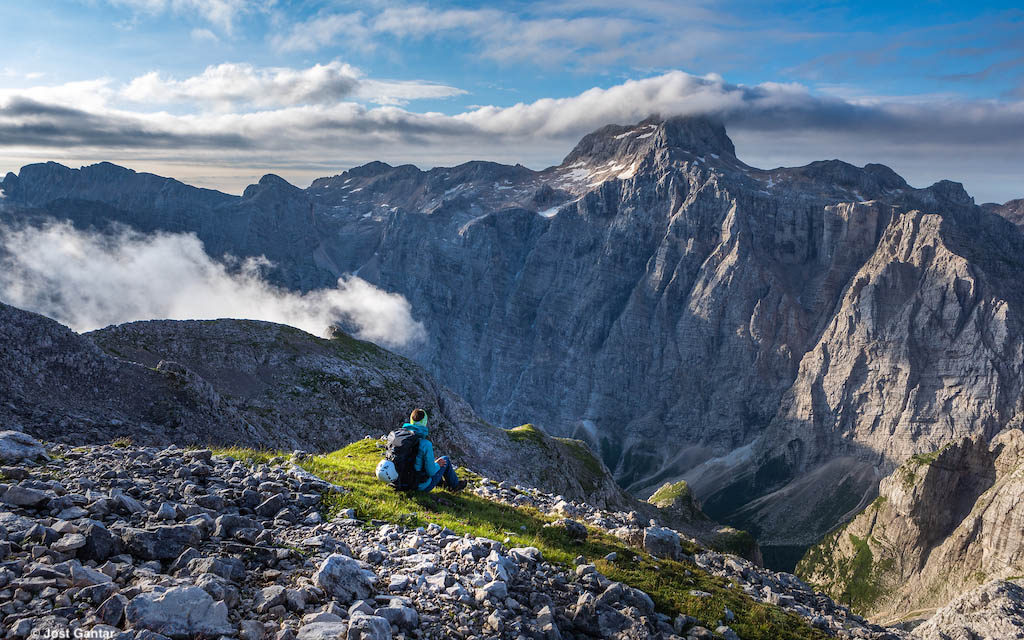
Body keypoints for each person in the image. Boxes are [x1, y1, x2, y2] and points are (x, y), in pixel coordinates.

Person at [405, 408, 467, 492]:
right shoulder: (425, 444)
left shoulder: (403, 438)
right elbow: (431, 472)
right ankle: (455, 486)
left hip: (402, 482)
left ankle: (441, 484)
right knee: (445, 460)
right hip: (419, 486)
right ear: (425, 422)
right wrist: (437, 464)